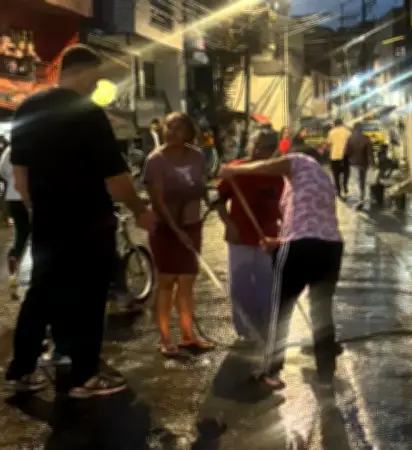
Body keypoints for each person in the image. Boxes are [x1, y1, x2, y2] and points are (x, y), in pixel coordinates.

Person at [5, 45, 155, 397]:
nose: (96, 84)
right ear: (83, 70)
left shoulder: (27, 108)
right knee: (88, 295)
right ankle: (84, 376)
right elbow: (115, 177)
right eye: (96, 76)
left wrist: (37, 209)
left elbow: (20, 174)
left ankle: (22, 369)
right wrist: (140, 211)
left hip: (47, 219)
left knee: (41, 293)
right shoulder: (87, 112)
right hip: (88, 220)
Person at [218, 146, 343, 390]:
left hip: (301, 247)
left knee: (280, 310)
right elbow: (307, 224)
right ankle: (326, 377)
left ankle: (271, 370)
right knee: (322, 312)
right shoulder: (322, 182)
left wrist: (234, 170)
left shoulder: (301, 161)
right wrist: (278, 242)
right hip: (330, 248)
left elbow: (268, 166)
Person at [143, 112, 215, 357]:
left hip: (192, 226)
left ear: (188, 132)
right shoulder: (155, 160)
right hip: (165, 229)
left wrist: (211, 200)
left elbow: (201, 187)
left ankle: (188, 335)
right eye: (168, 127)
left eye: (178, 128)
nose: (172, 132)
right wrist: (176, 230)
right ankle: (165, 338)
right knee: (166, 282)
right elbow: (158, 201)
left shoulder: (197, 156)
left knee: (187, 282)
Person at [216, 129, 284, 344]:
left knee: (267, 284)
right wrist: (229, 224)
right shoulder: (235, 170)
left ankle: (268, 327)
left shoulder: (278, 173)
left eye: (264, 147)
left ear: (273, 150)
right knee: (240, 285)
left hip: (268, 238)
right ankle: (245, 330)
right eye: (255, 145)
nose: (257, 151)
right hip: (240, 235)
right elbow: (217, 199)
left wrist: (285, 230)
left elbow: (285, 206)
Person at [0, 143, 28, 297]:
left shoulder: (10, 148)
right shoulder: (36, 143)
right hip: (30, 195)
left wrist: (11, 179)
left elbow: (0, 170)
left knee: (21, 234)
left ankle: (13, 273)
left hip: (13, 196)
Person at [345, 122, 374, 207]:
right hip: (364, 163)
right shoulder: (366, 138)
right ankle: (362, 196)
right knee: (362, 180)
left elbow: (347, 152)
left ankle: (359, 199)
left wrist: (346, 160)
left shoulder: (350, 138)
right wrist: (372, 163)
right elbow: (370, 152)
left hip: (353, 163)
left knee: (356, 180)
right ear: (361, 129)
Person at [326, 118, 351, 197]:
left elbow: (329, 143)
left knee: (335, 174)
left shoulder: (331, 132)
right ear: (342, 123)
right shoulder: (347, 132)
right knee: (346, 171)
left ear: (335, 124)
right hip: (345, 155)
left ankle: (338, 189)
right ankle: (345, 185)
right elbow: (350, 143)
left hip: (334, 156)